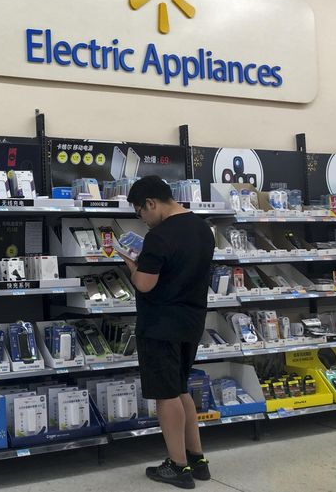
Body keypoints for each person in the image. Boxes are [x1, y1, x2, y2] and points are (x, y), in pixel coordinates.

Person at [122, 175, 215, 489]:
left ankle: (177, 467)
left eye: (141, 212)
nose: (143, 220)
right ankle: (196, 458)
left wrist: (131, 266)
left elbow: (145, 283)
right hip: (192, 321)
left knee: (166, 395)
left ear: (151, 203)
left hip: (160, 324)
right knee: (181, 389)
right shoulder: (202, 229)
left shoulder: (159, 236)